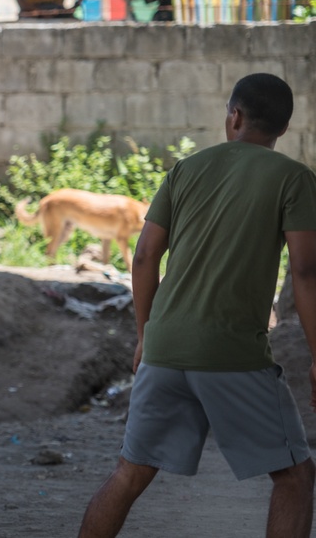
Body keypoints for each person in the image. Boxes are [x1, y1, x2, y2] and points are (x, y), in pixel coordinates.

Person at [78, 72, 316, 538]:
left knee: (130, 472)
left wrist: (147, 335)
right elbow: (306, 272)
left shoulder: (184, 170)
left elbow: (145, 256)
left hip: (165, 346)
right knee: (295, 476)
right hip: (231, 353)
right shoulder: (294, 179)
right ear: (283, 129)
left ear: (234, 116)